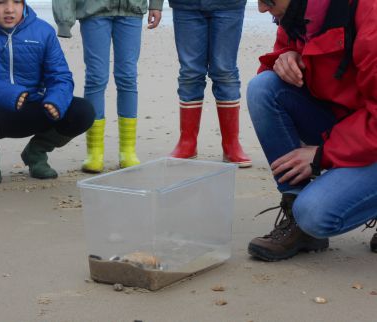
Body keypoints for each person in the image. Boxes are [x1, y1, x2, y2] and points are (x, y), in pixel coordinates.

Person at [247, 0, 377, 261]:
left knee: (315, 214)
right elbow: (278, 73)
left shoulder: (369, 15)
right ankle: (298, 220)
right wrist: (284, 59)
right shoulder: (296, 15)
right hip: (351, 126)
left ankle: (310, 217)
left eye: (267, 0)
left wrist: (323, 154)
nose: (261, 9)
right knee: (264, 88)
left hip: (368, 130)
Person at [0, 0, 95, 185]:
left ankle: (36, 153)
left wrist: (55, 101)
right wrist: (9, 93)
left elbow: (60, 76)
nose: (10, 9)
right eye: (0, 2)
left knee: (83, 111)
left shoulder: (43, 31)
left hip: (35, 108)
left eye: (17, 2)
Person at [52, 0, 163, 173]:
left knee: (127, 77)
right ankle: (94, 152)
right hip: (93, 10)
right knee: (96, 78)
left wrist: (156, 5)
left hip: (131, 10)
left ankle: (128, 151)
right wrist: (64, 20)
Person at [167, 0, 252, 168]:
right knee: (190, 72)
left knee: (225, 71)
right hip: (185, 5)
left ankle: (231, 144)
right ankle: (187, 143)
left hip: (230, 5)